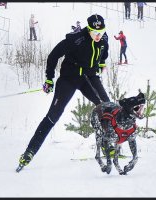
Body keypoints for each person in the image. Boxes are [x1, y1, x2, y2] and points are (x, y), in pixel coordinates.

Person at [17, 14, 110, 170]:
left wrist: (100, 65)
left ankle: (111, 147)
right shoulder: (76, 39)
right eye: (94, 32)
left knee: (107, 108)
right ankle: (29, 152)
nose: (98, 36)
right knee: (54, 114)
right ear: (88, 29)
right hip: (69, 78)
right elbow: (53, 55)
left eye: (100, 32)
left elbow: (103, 55)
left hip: (90, 78)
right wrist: (49, 78)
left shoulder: (103, 39)